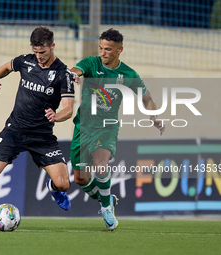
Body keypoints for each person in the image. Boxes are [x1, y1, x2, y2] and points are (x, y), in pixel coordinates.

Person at [0, 26, 75, 231]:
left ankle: (53, 187)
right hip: (14, 131)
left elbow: (69, 109)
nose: (39, 56)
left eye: (43, 52)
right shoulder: (25, 60)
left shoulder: (63, 73)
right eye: (36, 51)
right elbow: (6, 67)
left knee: (64, 184)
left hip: (42, 136)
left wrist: (57, 116)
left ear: (52, 46)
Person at [70, 28, 165, 230]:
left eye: (108, 49)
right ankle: (107, 198)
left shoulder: (128, 74)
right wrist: (73, 76)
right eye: (101, 48)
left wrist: (153, 115)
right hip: (83, 127)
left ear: (119, 50)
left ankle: (106, 208)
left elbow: (147, 98)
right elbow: (74, 71)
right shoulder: (91, 63)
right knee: (80, 178)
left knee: (100, 163)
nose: (103, 53)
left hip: (106, 127)